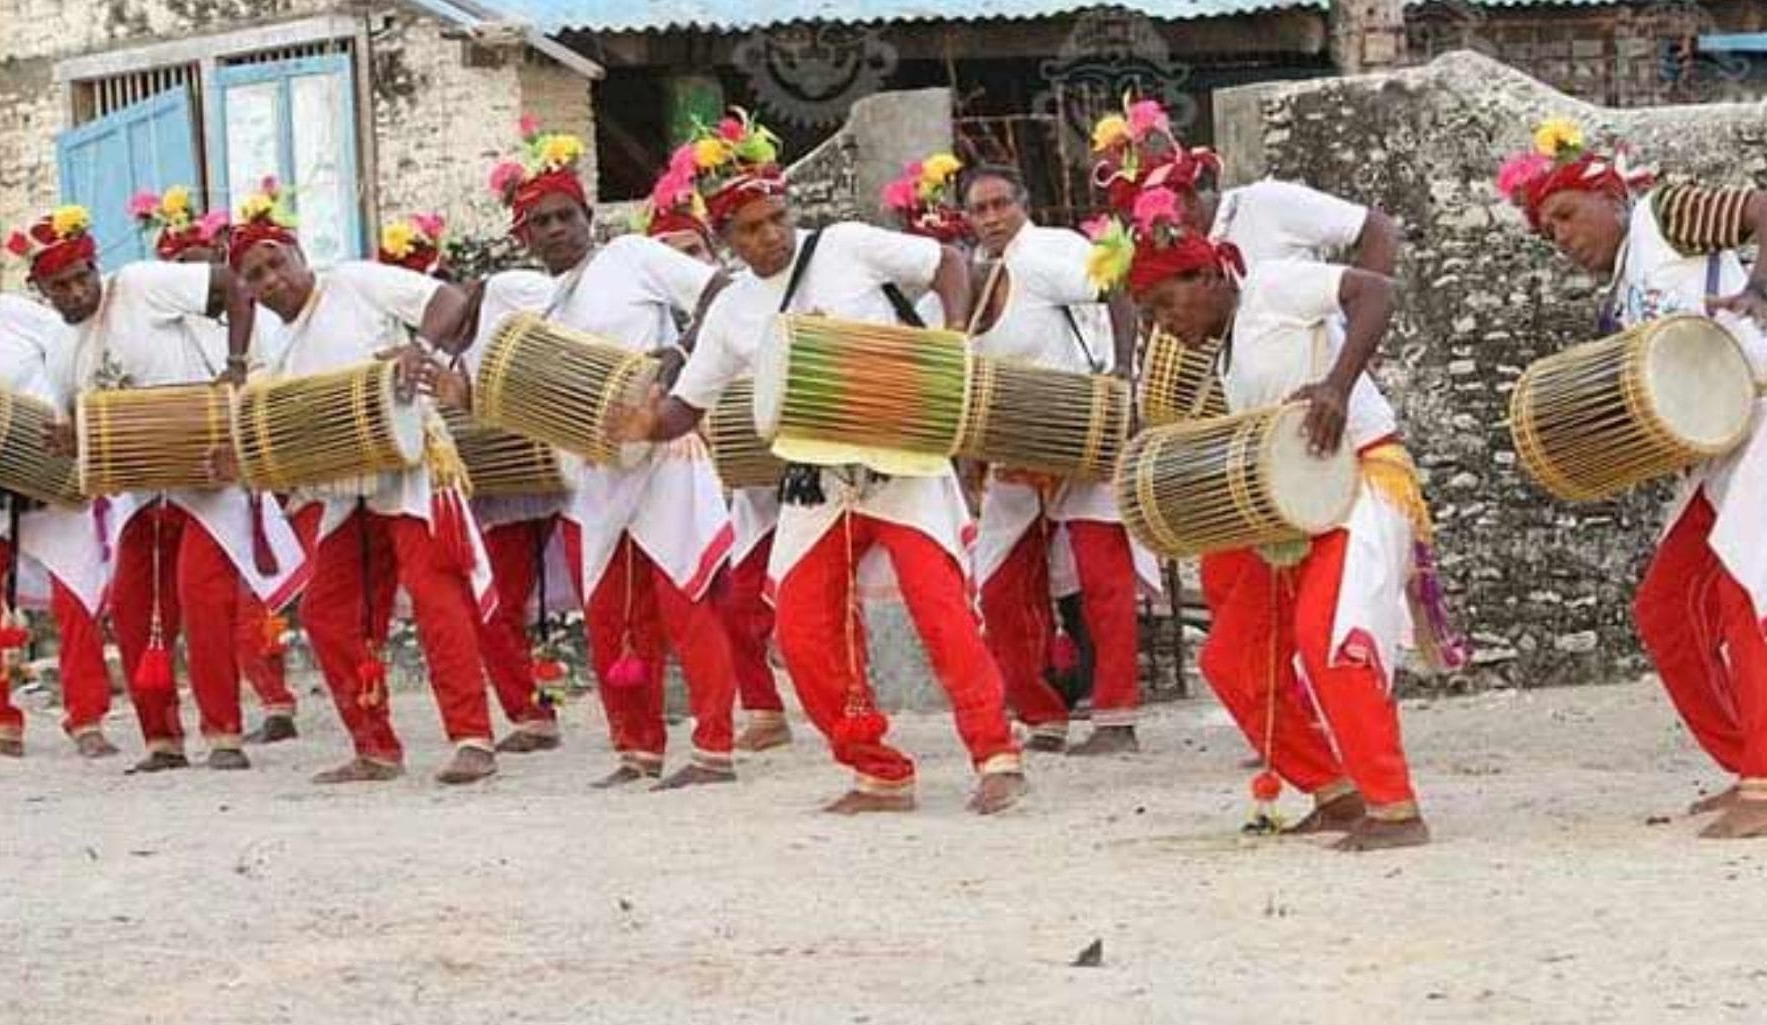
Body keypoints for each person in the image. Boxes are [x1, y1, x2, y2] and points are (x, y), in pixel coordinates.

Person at [609, 110, 1028, 815]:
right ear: (724, 240)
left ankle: (996, 754)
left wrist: (950, 339)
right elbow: (687, 407)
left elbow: (948, 263)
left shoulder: (847, 245)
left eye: (776, 218)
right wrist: (646, 422)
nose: (770, 235)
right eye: (750, 229)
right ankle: (878, 770)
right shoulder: (734, 310)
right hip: (818, 482)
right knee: (801, 632)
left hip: (901, 460)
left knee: (943, 616)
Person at [1498, 117, 1767, 839]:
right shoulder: (1621, 295)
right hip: (1718, 448)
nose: (1559, 235)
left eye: (1564, 214)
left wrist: (1762, 290)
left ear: (1611, 195)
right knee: (1665, 609)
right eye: (1546, 230)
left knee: (1745, 590)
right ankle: (1749, 762)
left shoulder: (1667, 214)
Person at [1102, 185, 1438, 851]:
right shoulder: (1225, 355)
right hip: (1294, 511)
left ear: (1205, 275)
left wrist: (1338, 386)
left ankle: (1397, 810)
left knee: (1326, 635)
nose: (1163, 323)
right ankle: (1335, 791)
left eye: (1165, 304)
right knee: (1232, 659)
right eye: (1150, 314)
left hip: (1364, 476)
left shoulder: (1274, 285)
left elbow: (1375, 291)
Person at [473, 122, 738, 789]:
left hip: (663, 453)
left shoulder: (631, 257)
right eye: (541, 222)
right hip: (594, 470)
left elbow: (718, 292)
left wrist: (679, 359)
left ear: (588, 217)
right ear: (524, 237)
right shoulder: (541, 306)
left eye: (566, 216)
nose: (557, 229)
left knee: (687, 600)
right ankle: (637, 749)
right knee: (613, 617)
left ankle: (713, 750)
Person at [16, 203, 306, 774]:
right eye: (61, 286)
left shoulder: (143, 284)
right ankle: (161, 742)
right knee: (131, 610)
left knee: (204, 602)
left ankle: (224, 735)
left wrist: (237, 364)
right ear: (40, 290)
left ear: (97, 267)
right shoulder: (60, 352)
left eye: (82, 277)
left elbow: (232, 285)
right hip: (139, 495)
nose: (76, 292)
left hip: (204, 482)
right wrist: (68, 443)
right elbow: (80, 430)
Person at [232, 180, 499, 785]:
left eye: (276, 262)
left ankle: (473, 738)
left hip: (411, 465)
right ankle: (375, 747)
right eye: (255, 274)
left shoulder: (354, 280)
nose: (270, 278)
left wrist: (420, 349)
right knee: (327, 614)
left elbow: (451, 299)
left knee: (435, 598)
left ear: (300, 254)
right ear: (245, 289)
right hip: (342, 487)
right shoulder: (272, 349)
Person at [961, 162, 1156, 755]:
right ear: (967, 220)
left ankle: (1117, 718)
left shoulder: (1050, 252)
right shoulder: (967, 278)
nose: (992, 217)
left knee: (1104, 581)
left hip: (1083, 431)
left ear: (1022, 204)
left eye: (1001, 204)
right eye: (980, 209)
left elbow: (1116, 287)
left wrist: (1124, 375)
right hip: (1014, 449)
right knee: (998, 588)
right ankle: (1042, 716)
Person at [379, 208, 575, 754]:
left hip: (568, 460)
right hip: (502, 487)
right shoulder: (425, 351)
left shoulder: (508, 289)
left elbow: (573, 329)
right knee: (492, 604)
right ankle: (532, 714)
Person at [0, 211, 115, 761]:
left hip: (53, 481)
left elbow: (77, 348)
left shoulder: (8, 314)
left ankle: (88, 719)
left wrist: (82, 421)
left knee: (78, 601)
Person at [132, 187, 302, 746]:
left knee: (253, 594)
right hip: (185, 478)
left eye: (203, 264)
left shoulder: (253, 325)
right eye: (183, 266)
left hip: (251, 469)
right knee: (202, 598)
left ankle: (276, 700)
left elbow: (271, 382)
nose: (195, 273)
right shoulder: (162, 330)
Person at [643, 160, 797, 750]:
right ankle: (763, 710)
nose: (684, 263)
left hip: (828, 466)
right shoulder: (673, 320)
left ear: (712, 251)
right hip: (748, 483)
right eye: (671, 252)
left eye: (691, 249)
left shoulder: (745, 298)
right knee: (734, 601)